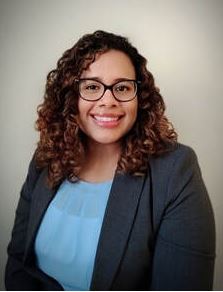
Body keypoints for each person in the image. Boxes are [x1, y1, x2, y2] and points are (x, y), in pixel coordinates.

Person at [5, 30, 215, 291]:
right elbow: (17, 260)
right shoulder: (46, 156)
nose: (108, 100)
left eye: (122, 87)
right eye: (92, 86)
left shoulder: (175, 170)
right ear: (70, 96)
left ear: (140, 97)